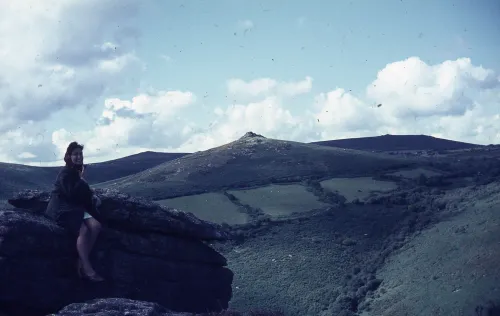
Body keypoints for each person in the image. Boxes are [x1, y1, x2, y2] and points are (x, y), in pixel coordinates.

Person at [45, 141, 104, 282]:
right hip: (62, 208)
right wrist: (82, 179)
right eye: (75, 154)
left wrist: (92, 197)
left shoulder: (77, 170)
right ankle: (88, 269)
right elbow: (71, 193)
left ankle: (81, 260)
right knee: (83, 230)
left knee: (96, 226)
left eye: (80, 154)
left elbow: (81, 193)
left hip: (75, 207)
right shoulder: (65, 172)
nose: (79, 157)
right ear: (69, 156)